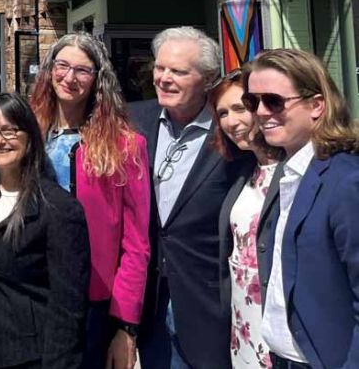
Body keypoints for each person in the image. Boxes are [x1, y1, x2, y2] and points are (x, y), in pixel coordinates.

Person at [29, 33, 150, 369]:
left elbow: (136, 243)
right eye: (62, 66)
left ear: (98, 79)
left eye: (82, 70)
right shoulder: (27, 135)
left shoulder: (125, 146)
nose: (70, 77)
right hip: (32, 292)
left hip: (92, 304)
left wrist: (125, 326)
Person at [129, 26, 247, 369]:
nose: (163, 78)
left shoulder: (232, 131)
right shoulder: (133, 120)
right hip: (149, 302)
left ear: (208, 79)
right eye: (159, 67)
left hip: (208, 303)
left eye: (178, 71)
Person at [0, 93, 89, 368]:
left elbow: (68, 309)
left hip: (29, 358)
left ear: (29, 137)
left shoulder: (59, 209)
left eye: (9, 130)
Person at [248, 49, 359, 369]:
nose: (261, 112)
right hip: (283, 358)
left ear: (316, 105)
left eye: (274, 101)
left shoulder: (345, 180)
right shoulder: (289, 172)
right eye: (252, 101)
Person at [210, 68, 283, 369]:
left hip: (279, 326)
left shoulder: (296, 171)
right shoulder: (245, 172)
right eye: (222, 113)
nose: (231, 121)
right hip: (243, 324)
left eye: (240, 108)